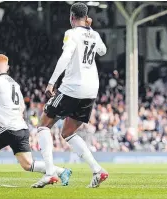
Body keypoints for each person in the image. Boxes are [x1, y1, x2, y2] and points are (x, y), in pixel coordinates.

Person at [0, 54, 72, 186]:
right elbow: (21, 107)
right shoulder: (15, 84)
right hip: (22, 128)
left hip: (9, 128)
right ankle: (62, 171)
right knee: (27, 164)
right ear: (7, 67)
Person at [33, 2, 108, 188]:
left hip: (73, 87)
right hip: (91, 89)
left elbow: (66, 57)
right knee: (67, 132)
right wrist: (90, 30)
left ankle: (49, 173)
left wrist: (51, 82)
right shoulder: (94, 34)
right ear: (87, 17)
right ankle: (97, 170)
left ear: (71, 17)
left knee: (43, 126)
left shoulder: (71, 33)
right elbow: (103, 50)